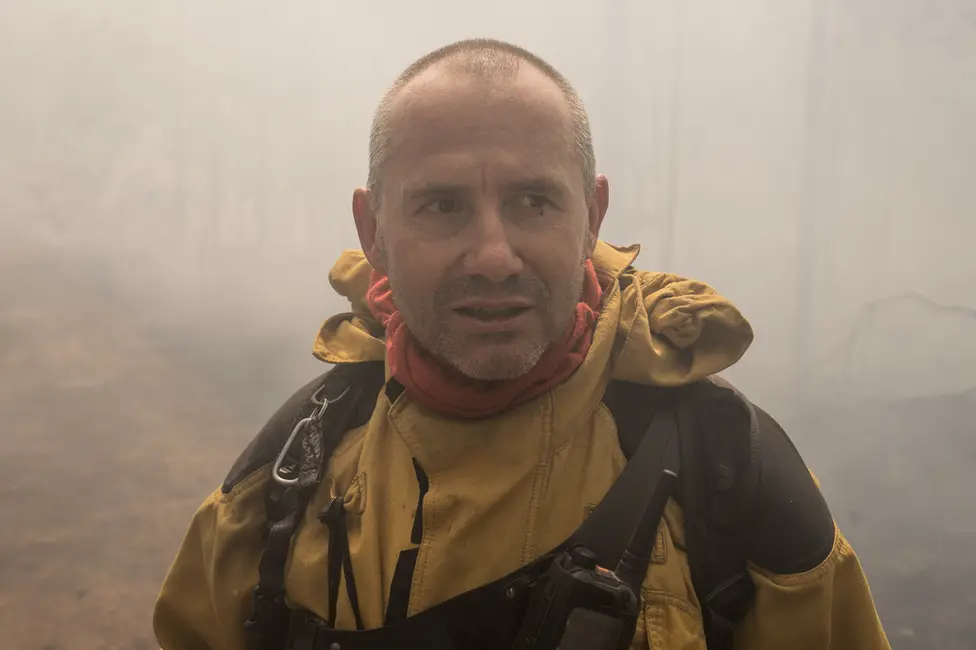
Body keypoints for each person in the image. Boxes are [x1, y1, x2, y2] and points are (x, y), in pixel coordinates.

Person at [153, 38, 891, 650]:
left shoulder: (730, 475)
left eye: (532, 201)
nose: (494, 255)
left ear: (592, 215)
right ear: (372, 232)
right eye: (442, 205)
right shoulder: (284, 482)